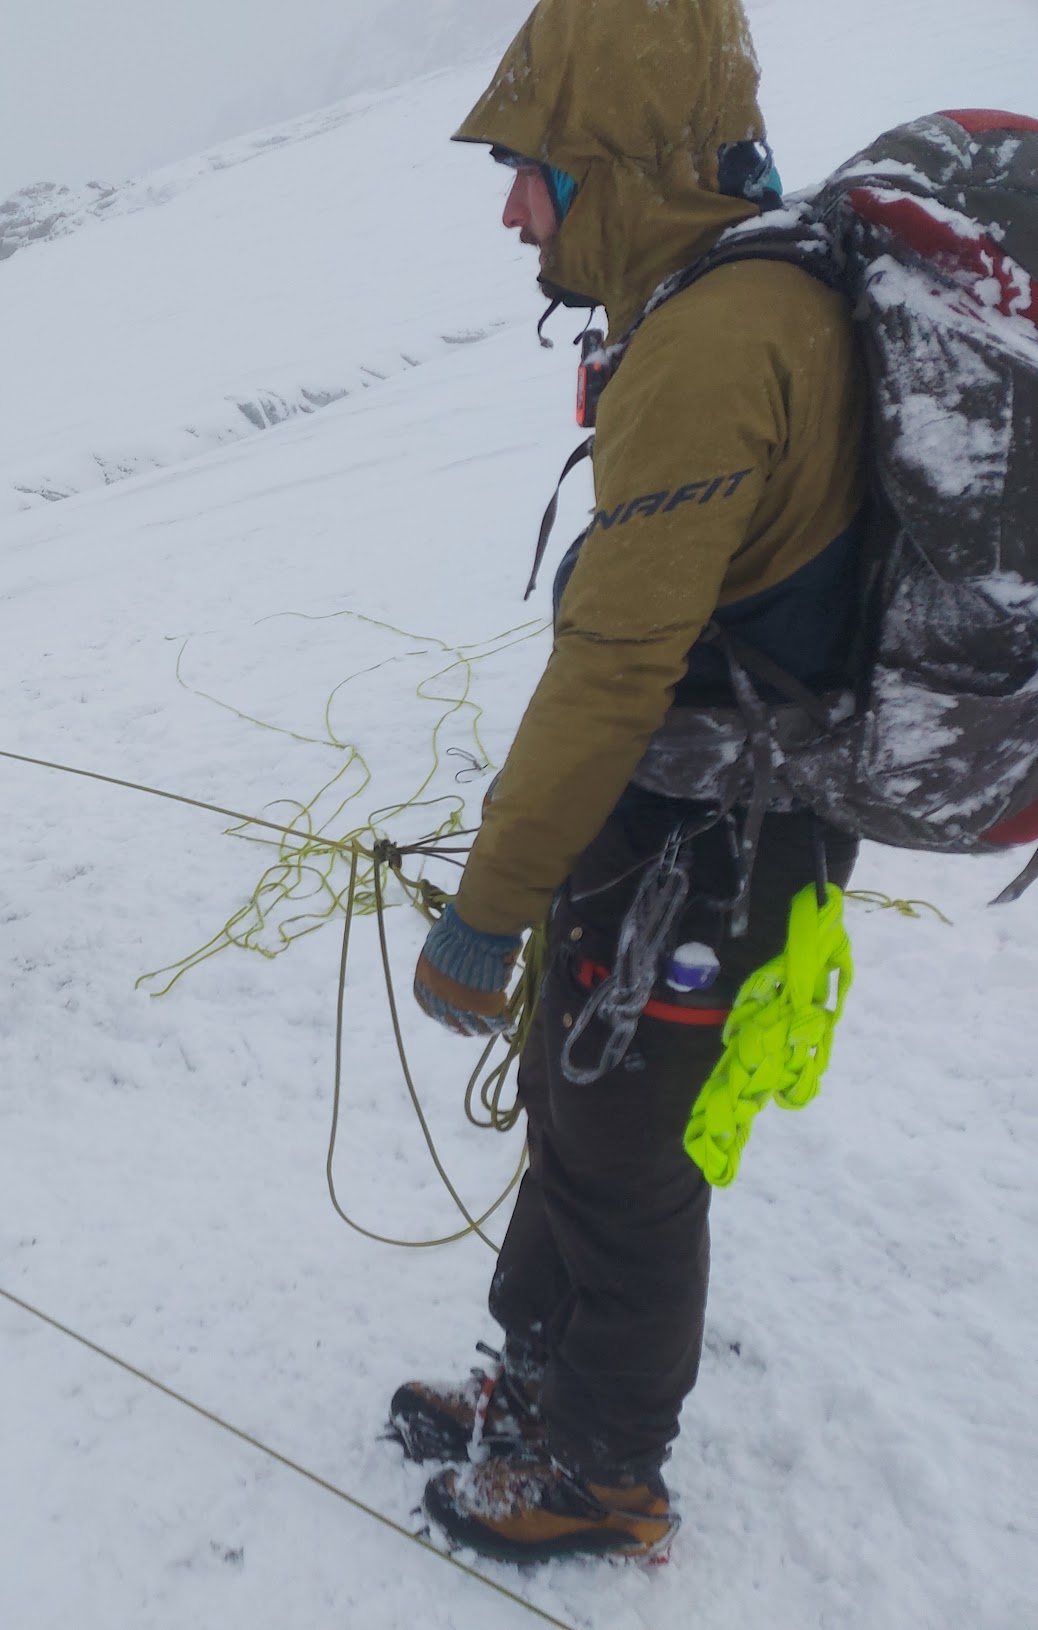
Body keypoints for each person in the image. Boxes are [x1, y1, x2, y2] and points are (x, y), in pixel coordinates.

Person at [396, 0, 865, 1562]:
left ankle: (603, 1465)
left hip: (705, 831)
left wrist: (483, 910)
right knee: (577, 1102)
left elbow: (611, 664)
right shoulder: (733, 299)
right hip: (689, 812)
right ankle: (536, 1385)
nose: (512, 206)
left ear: (618, 160)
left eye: (534, 168)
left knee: (620, 1145)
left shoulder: (718, 341)